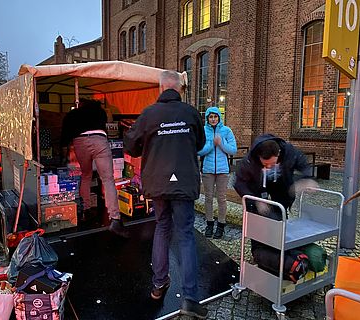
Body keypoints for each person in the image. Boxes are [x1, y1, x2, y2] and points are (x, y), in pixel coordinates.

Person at [123, 70, 207, 319]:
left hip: (158, 183)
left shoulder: (149, 114)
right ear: (180, 87)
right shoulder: (191, 112)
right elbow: (200, 143)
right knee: (186, 236)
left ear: (161, 88)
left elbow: (131, 146)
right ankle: (191, 299)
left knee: (162, 227)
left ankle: (159, 285)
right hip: (183, 183)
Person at [61, 98, 129, 238]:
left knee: (86, 175)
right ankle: (115, 219)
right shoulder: (101, 112)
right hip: (99, 140)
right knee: (108, 179)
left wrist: (65, 148)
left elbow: (66, 131)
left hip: (80, 142)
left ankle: (85, 210)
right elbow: (107, 123)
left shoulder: (74, 114)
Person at [198, 106, 237, 239]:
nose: (213, 119)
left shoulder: (226, 131)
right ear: (207, 118)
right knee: (208, 198)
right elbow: (199, 150)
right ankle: (209, 224)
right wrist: (211, 145)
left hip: (222, 170)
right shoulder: (203, 131)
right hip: (207, 170)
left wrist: (221, 143)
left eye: (215, 117)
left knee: (222, 199)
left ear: (219, 118)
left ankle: (221, 225)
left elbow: (233, 150)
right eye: (211, 117)